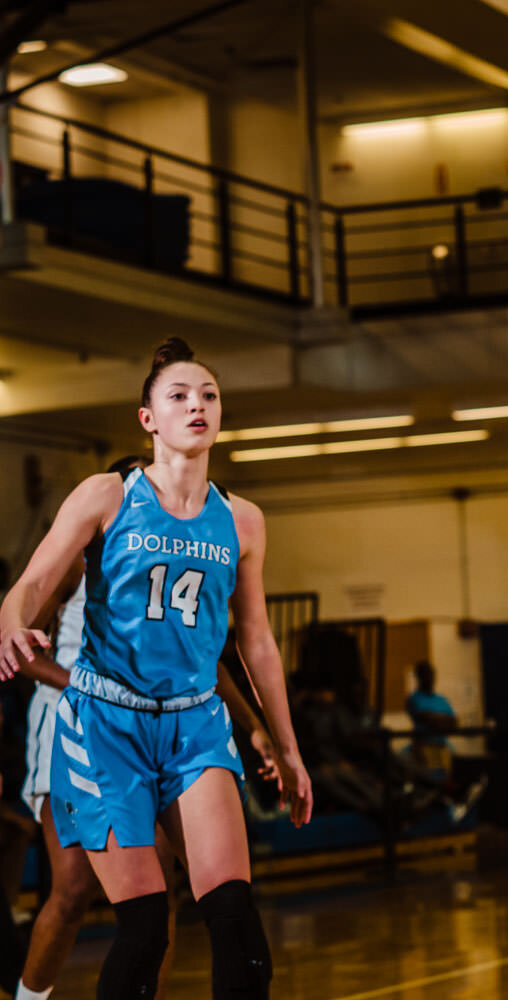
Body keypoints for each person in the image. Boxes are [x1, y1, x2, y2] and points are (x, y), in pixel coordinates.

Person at [0, 338, 313, 1000]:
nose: (197, 405)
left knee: (235, 922)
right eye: (179, 396)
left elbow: (253, 643)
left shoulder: (244, 521)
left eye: (209, 396)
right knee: (138, 928)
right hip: (105, 724)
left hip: (195, 726)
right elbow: (29, 588)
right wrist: (12, 624)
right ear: (148, 419)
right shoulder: (107, 495)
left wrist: (285, 747)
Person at [14, 456, 280, 1000]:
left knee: (162, 899)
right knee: (73, 891)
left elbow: (208, 663)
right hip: (80, 721)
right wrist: (88, 685)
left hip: (163, 731)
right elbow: (22, 642)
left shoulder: (188, 549)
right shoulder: (87, 545)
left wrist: (254, 724)